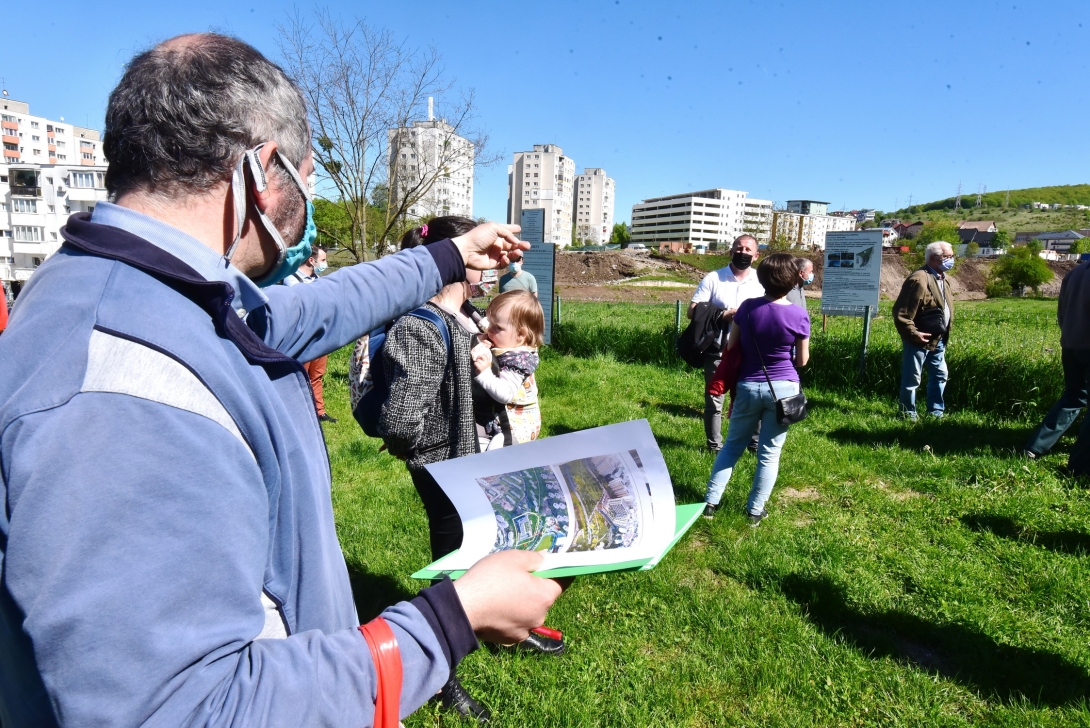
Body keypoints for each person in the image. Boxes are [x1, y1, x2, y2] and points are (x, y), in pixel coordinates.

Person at [0, 34, 562, 728]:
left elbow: (308, 311)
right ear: (261, 174)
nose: (308, 206)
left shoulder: (153, 291)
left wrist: (446, 256)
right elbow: (182, 709)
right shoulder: (118, 391)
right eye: (307, 179)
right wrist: (449, 621)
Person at [380, 220, 564, 722]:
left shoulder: (467, 314)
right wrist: (443, 449)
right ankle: (440, 676)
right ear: (456, 259)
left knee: (492, 548)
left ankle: (504, 626)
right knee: (452, 567)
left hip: (477, 463)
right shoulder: (421, 325)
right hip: (446, 469)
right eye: (484, 256)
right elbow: (399, 421)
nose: (494, 267)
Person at [702, 254, 810, 526]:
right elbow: (802, 360)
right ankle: (754, 511)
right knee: (769, 453)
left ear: (761, 278)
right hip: (783, 388)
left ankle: (710, 503)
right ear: (793, 280)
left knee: (731, 446)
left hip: (748, 384)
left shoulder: (747, 308)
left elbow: (730, 346)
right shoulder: (799, 314)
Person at [689, 235, 765, 451]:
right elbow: (691, 310)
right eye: (738, 248)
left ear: (756, 255)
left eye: (748, 250)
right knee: (715, 399)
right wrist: (723, 314)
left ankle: (754, 444)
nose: (743, 252)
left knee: (753, 399)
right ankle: (715, 446)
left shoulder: (761, 281)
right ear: (731, 252)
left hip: (751, 351)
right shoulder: (714, 278)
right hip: (718, 349)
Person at [1023, 260, 1090, 473]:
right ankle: (1081, 466)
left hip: (1071, 345)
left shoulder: (1076, 272)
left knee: (1073, 396)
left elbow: (1062, 311)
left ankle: (1035, 447)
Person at [473, 290, 545, 450]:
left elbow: (505, 394)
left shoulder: (518, 361)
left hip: (518, 427)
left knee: (495, 453)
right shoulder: (510, 344)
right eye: (490, 323)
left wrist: (484, 373)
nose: (489, 330)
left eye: (497, 327)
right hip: (508, 420)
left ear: (520, 334)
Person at [893, 241, 955, 420]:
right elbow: (902, 313)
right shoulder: (919, 279)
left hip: (938, 338)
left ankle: (935, 412)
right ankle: (907, 414)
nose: (952, 260)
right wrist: (914, 334)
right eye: (948, 257)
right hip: (919, 338)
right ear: (935, 258)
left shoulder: (943, 278)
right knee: (912, 378)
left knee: (940, 374)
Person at [282, 245, 336, 422]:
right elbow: (304, 304)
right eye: (322, 260)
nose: (325, 264)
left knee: (317, 375)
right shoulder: (291, 279)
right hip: (302, 337)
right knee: (299, 376)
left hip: (320, 335)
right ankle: (299, 414)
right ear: (311, 261)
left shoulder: (318, 279)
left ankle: (319, 411)